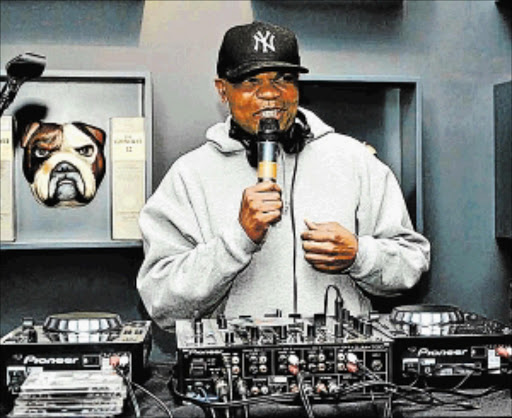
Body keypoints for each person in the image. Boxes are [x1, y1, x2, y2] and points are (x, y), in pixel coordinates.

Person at [136, 21, 430, 330]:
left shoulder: (355, 161)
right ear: (222, 90)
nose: (269, 93)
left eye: (283, 79)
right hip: (236, 361)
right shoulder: (189, 176)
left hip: (342, 360)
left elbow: (411, 263)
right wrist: (237, 240)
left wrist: (359, 255)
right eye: (251, 81)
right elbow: (162, 303)